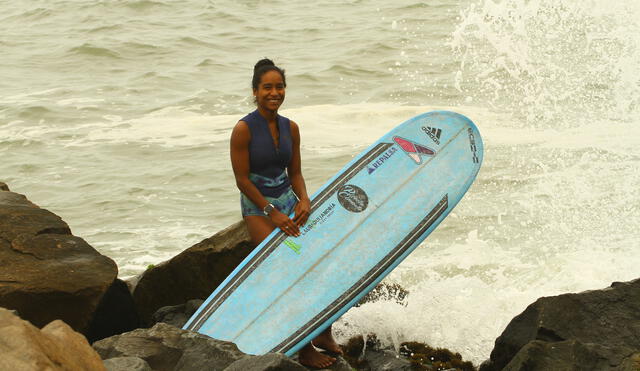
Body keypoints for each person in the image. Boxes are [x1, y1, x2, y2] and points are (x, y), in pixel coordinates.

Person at [229, 58, 343, 368]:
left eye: (279, 86)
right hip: (257, 207)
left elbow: (295, 172)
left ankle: (323, 332)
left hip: (288, 201)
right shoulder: (243, 129)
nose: (274, 92)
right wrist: (271, 213)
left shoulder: (290, 127)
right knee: (285, 272)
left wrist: (305, 199)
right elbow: (241, 180)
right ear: (255, 91)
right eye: (267, 87)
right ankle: (304, 348)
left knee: (320, 261)